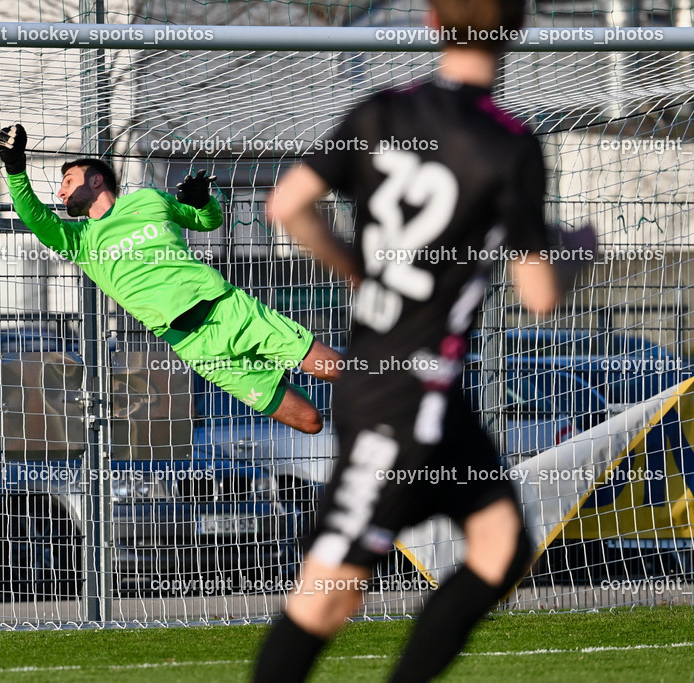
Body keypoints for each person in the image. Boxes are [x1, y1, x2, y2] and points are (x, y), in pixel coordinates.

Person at [252, 0, 597, 680]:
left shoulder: (382, 111)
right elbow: (539, 294)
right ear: (518, 30)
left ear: (433, 21)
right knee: (328, 595)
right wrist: (580, 250)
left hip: (425, 392)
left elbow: (286, 205)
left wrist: (357, 271)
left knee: (501, 546)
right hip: (400, 399)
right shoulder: (509, 143)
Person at [0, 125, 343, 434]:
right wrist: (14, 167)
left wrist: (204, 203)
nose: (61, 193)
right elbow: (33, 215)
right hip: (198, 347)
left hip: (230, 311)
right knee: (310, 421)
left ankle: (393, 399)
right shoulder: (81, 241)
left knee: (335, 370)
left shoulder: (150, 200)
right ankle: (286, 381)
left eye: (67, 182)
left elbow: (207, 221)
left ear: (96, 179)